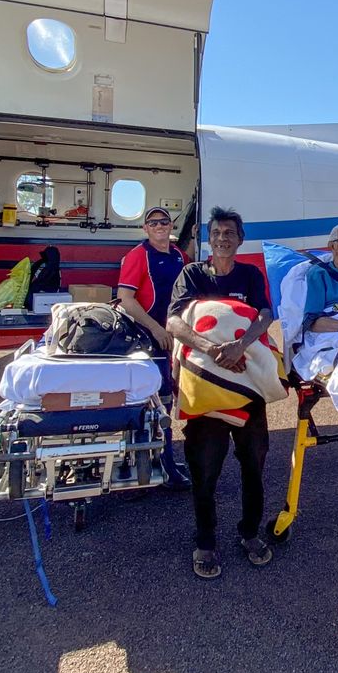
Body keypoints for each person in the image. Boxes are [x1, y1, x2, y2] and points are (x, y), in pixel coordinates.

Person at [167, 207, 276, 580]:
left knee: (253, 466)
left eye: (229, 232)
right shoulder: (192, 274)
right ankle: (205, 541)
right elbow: (174, 322)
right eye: (216, 232)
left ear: (240, 239)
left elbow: (264, 314)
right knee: (204, 470)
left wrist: (239, 345)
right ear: (208, 238)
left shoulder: (250, 275)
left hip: (247, 388)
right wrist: (212, 349)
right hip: (205, 391)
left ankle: (250, 533)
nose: (222, 238)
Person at [117, 205, 192, 489]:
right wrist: (156, 329)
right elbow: (126, 298)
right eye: (153, 222)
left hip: (172, 337)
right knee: (156, 402)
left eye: (164, 222)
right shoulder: (138, 255)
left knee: (168, 399)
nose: (159, 226)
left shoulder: (179, 255)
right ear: (145, 228)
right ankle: (161, 466)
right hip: (149, 338)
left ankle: (163, 458)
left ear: (171, 226)